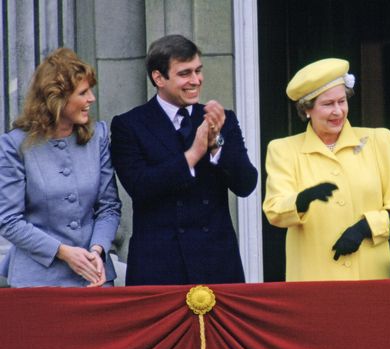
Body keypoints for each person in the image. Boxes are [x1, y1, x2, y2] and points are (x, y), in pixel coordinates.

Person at [110, 34, 257, 285]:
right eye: (185, 73)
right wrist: (193, 154)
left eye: (198, 71)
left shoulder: (221, 119)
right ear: (159, 78)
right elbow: (140, 185)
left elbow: (246, 184)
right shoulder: (130, 125)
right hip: (159, 267)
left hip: (216, 264)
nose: (196, 80)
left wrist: (216, 146)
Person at [263, 58, 390, 281]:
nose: (338, 111)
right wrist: (301, 200)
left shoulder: (377, 141)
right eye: (327, 104)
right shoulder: (283, 150)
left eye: (341, 101)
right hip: (314, 279)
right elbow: (274, 210)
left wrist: (366, 227)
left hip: (372, 278)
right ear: (307, 109)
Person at [0, 48, 121, 287]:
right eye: (83, 93)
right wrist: (64, 252)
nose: (91, 99)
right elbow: (9, 220)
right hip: (38, 281)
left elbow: (109, 207)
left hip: (94, 277)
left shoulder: (97, 137)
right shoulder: (15, 145)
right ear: (57, 99)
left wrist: (97, 251)